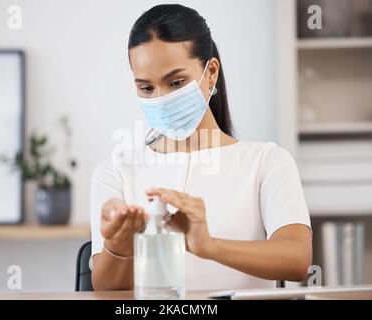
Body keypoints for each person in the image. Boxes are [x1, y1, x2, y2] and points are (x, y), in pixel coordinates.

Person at [90, 4, 312, 291]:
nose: (161, 98)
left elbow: (296, 260)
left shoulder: (267, 162)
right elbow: (106, 291)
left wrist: (209, 246)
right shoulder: (114, 172)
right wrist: (119, 245)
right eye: (146, 88)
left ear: (210, 74)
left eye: (176, 82)